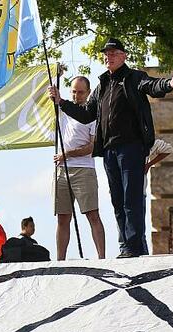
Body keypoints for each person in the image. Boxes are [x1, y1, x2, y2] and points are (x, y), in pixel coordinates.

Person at [48, 38, 173, 258]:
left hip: (131, 148)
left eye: (113, 53)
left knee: (132, 199)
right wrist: (62, 103)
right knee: (118, 200)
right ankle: (126, 246)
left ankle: (134, 247)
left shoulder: (134, 77)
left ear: (123, 56)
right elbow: (87, 114)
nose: (108, 57)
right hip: (109, 151)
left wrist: (169, 84)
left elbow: (152, 86)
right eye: (106, 54)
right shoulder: (102, 85)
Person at [48, 76, 106, 260]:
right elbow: (50, 100)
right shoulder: (63, 109)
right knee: (63, 217)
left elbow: (92, 147)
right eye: (73, 91)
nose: (76, 95)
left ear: (88, 93)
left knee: (92, 214)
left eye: (80, 92)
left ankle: (102, 258)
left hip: (83, 169)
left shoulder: (92, 115)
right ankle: (60, 260)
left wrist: (68, 154)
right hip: (61, 170)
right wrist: (54, 84)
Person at [140, 138, 173, 254]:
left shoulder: (145, 141)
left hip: (139, 191)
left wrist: (148, 165)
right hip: (132, 191)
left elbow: (168, 149)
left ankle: (140, 253)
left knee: (138, 228)